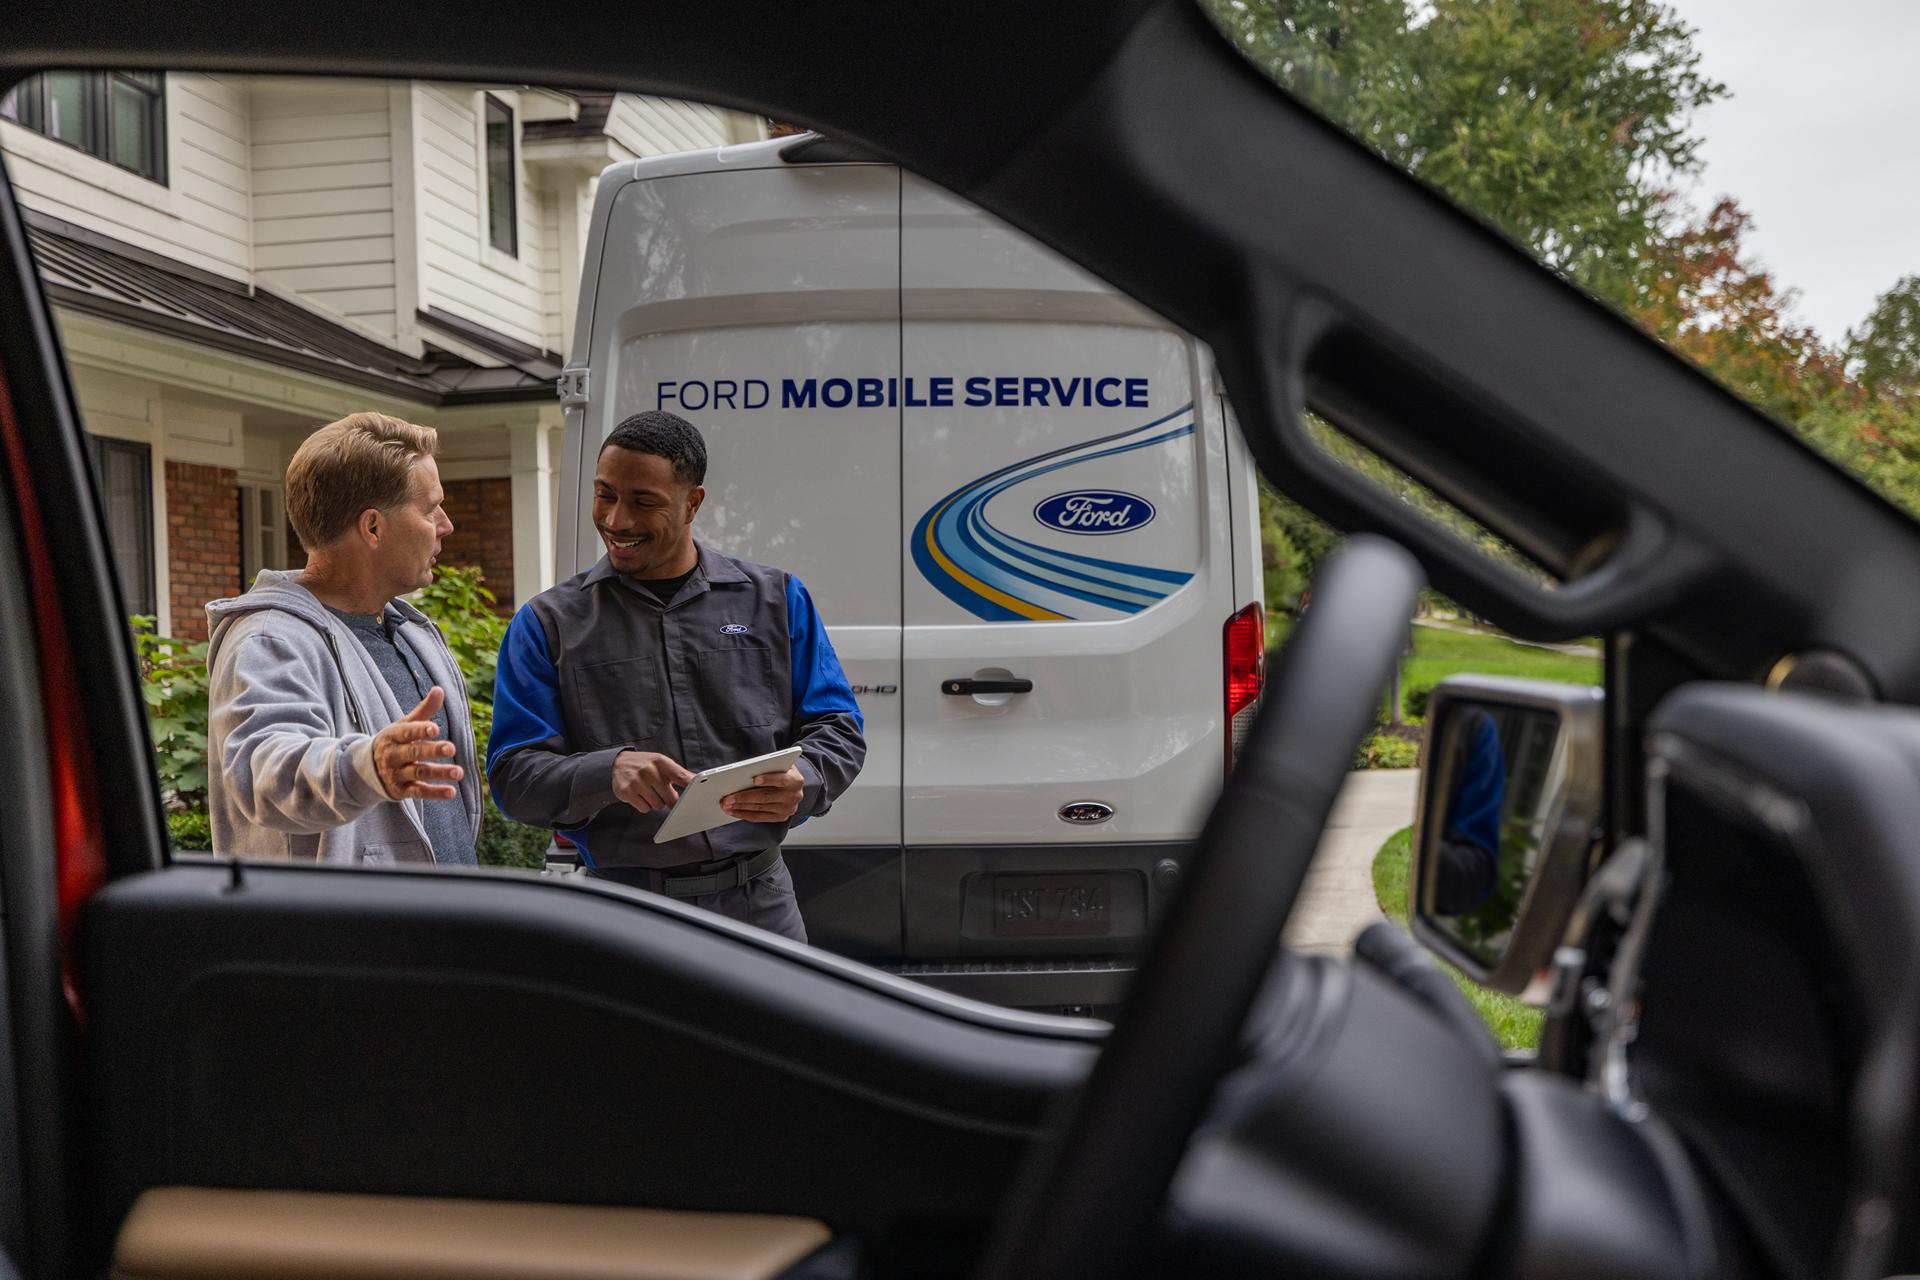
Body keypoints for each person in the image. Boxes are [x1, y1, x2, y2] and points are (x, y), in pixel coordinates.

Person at [487, 411, 864, 941]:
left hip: (761, 907)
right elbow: (512, 778)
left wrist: (809, 780)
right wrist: (606, 771)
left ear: (693, 503)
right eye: (604, 494)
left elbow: (839, 728)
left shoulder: (777, 600)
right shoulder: (547, 624)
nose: (616, 520)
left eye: (644, 502)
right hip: (624, 920)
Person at [205, 411, 480, 865]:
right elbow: (265, 774)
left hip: (441, 928)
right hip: (341, 935)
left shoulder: (408, 632)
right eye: (430, 509)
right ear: (372, 527)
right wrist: (369, 765)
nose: (445, 525)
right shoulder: (268, 641)